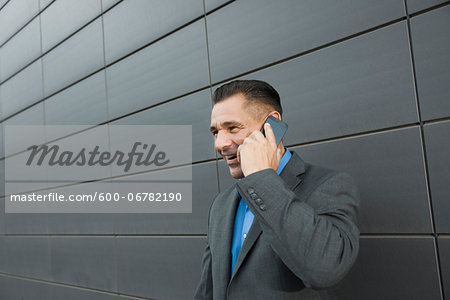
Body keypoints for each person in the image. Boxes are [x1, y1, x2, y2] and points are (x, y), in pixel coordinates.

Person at [194, 80, 359, 300]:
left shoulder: (329, 185)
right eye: (215, 132)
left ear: (271, 124)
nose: (220, 144)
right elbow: (208, 291)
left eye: (232, 128)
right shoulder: (220, 205)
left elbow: (325, 269)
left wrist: (261, 178)